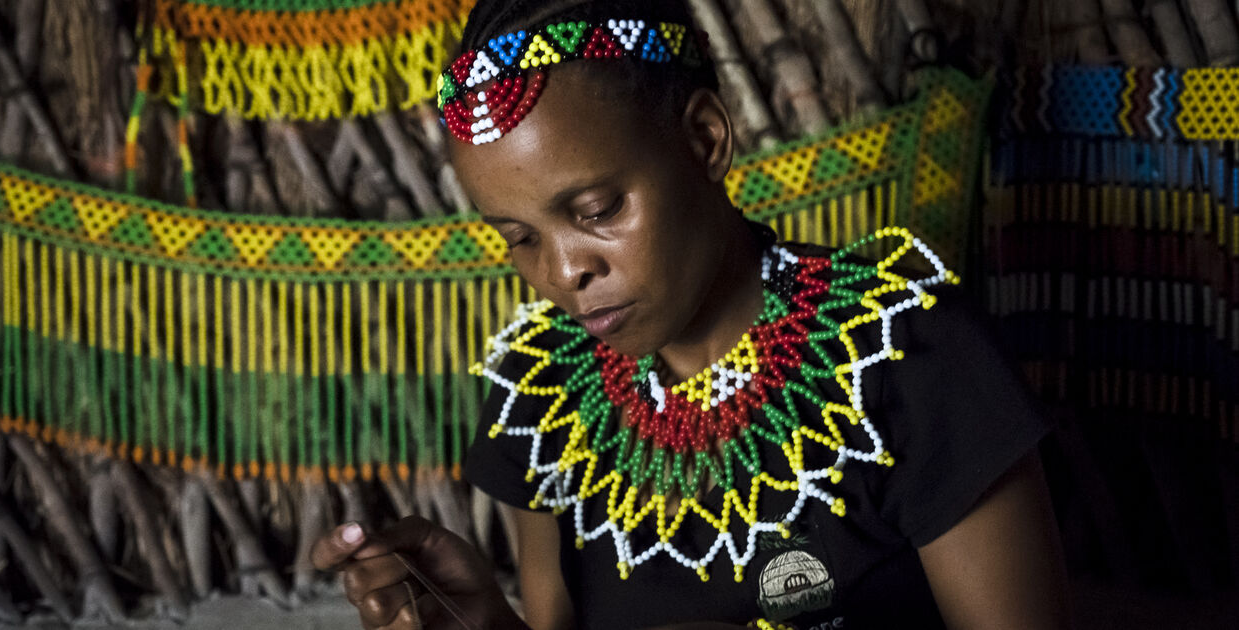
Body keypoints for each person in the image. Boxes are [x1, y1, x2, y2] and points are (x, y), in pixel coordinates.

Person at [312, 0, 1073, 628]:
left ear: (705, 140)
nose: (564, 271)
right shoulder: (544, 392)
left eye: (597, 209)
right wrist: (478, 623)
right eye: (519, 238)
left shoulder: (903, 353)